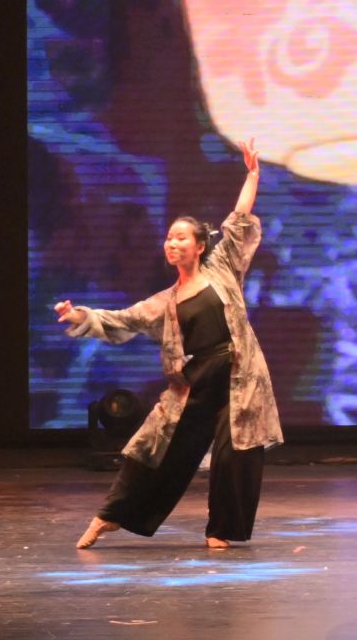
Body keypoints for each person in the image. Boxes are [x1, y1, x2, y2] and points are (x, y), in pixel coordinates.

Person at [58, 139, 281, 549]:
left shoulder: (222, 268)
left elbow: (239, 219)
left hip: (239, 374)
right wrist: (80, 317)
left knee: (236, 453)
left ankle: (221, 529)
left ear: (200, 245)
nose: (172, 243)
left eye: (181, 238)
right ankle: (109, 517)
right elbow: (121, 320)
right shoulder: (165, 302)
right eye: (169, 238)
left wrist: (252, 175)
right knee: (154, 449)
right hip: (196, 380)